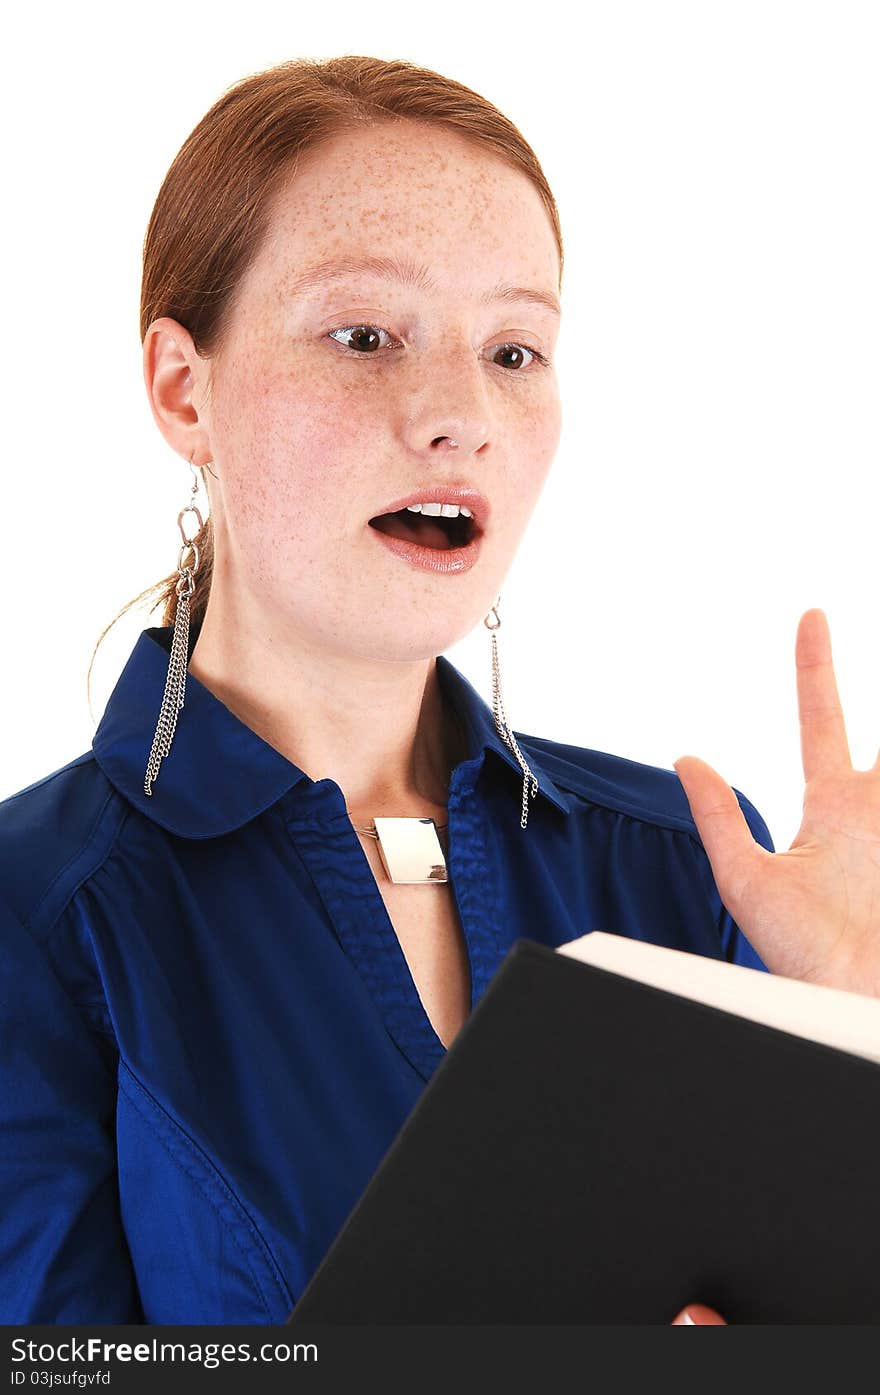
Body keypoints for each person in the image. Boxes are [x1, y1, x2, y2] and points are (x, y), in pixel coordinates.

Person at [1, 55, 877, 1328]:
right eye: (365, 336)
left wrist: (854, 1036)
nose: (460, 415)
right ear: (184, 388)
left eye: (514, 349)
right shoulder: (36, 914)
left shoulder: (695, 875)